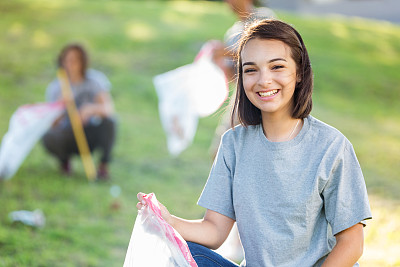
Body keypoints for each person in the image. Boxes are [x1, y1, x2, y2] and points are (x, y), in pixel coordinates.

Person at [137, 19, 372, 266]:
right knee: (180, 254)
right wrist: (167, 219)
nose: (264, 80)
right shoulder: (233, 145)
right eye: (251, 70)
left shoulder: (332, 146)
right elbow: (214, 231)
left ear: (300, 72)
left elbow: (352, 243)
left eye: (277, 67)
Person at [209, 0, 276, 159]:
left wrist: (227, 52)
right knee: (219, 152)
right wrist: (220, 65)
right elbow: (235, 76)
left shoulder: (265, 17)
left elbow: (269, 54)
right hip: (241, 98)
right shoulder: (232, 32)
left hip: (265, 97)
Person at [42, 43, 116, 180]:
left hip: (90, 132)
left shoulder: (94, 81)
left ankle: (103, 167)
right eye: (68, 60)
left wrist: (90, 109)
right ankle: (64, 161)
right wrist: (60, 106)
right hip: (68, 133)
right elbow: (51, 124)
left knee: (110, 122)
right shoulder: (56, 87)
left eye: (76, 60)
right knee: (47, 137)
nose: (71, 64)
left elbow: (109, 109)